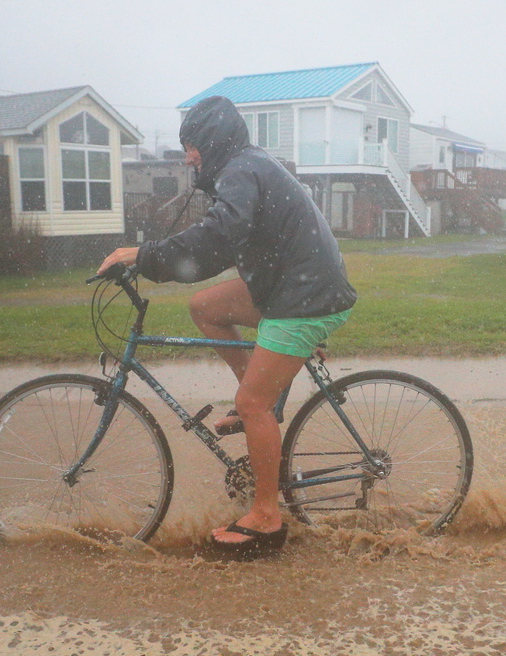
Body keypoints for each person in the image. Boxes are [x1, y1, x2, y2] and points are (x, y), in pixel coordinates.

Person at [98, 95, 357, 556]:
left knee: (251, 401)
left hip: (304, 296)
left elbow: (217, 236)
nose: (188, 155)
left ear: (213, 140)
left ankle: (266, 517)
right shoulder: (242, 168)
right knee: (205, 307)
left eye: (192, 144)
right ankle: (264, 400)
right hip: (291, 287)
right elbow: (211, 254)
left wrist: (142, 255)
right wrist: (156, 259)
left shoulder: (240, 171)